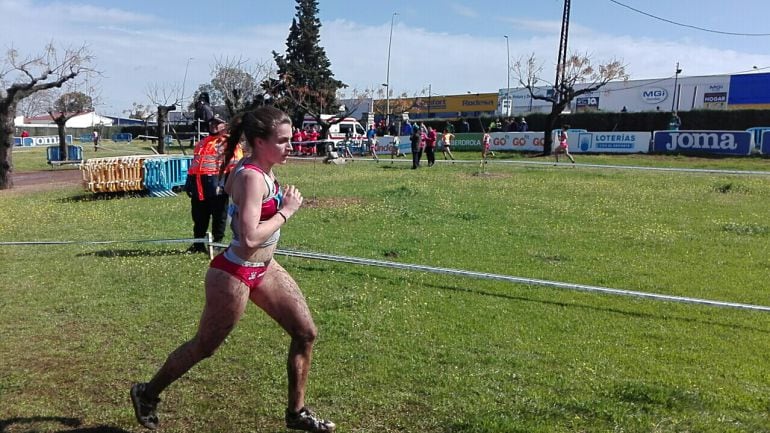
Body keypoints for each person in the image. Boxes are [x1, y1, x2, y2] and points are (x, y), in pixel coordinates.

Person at [130, 106, 336, 433]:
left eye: (290, 140)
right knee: (204, 347)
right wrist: (286, 211)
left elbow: (230, 195)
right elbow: (251, 236)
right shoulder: (253, 176)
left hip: (265, 269)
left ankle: (295, 413)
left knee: (305, 333)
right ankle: (147, 392)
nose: (290, 146)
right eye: (282, 141)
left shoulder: (256, 169)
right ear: (259, 141)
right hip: (235, 272)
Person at [184, 116, 243, 253]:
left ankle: (217, 244)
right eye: (212, 123)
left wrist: (223, 185)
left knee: (219, 217)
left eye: (217, 123)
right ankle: (198, 244)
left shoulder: (230, 143)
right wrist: (189, 182)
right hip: (199, 185)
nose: (213, 125)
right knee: (199, 217)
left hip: (218, 184)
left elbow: (235, 167)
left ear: (225, 125)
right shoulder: (202, 142)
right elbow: (195, 164)